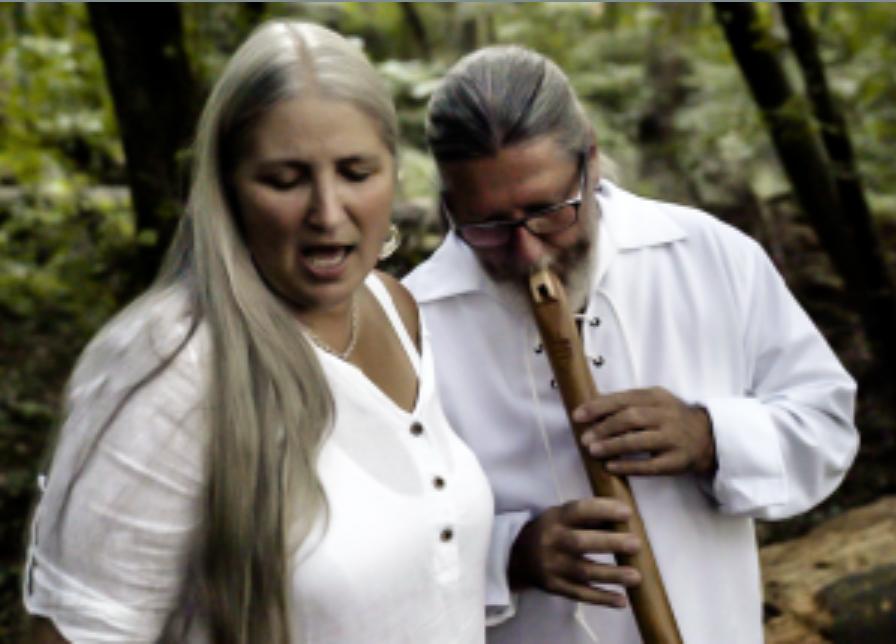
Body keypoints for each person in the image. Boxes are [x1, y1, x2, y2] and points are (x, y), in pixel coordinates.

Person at [23, 20, 493, 644]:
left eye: (356, 172)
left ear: (394, 171)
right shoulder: (171, 365)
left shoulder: (395, 307)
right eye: (285, 180)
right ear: (228, 189)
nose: (327, 212)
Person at [403, 45, 859, 643]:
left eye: (549, 211)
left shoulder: (710, 253)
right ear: (448, 206)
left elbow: (827, 427)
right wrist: (510, 557)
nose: (528, 250)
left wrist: (710, 435)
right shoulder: (410, 321)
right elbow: (384, 546)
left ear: (590, 161)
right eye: (488, 225)